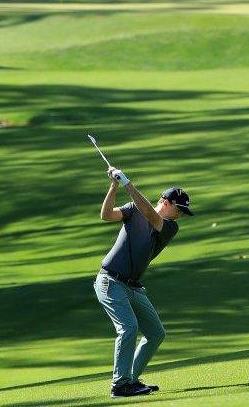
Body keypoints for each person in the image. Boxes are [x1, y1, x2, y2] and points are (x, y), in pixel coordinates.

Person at [93, 165, 195, 397]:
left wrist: (128, 183)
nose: (180, 214)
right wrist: (114, 185)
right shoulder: (132, 210)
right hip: (110, 281)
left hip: (132, 286)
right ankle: (120, 385)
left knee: (155, 332)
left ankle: (131, 379)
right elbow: (106, 215)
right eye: (178, 209)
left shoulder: (170, 227)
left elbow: (150, 214)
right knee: (128, 328)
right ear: (165, 201)